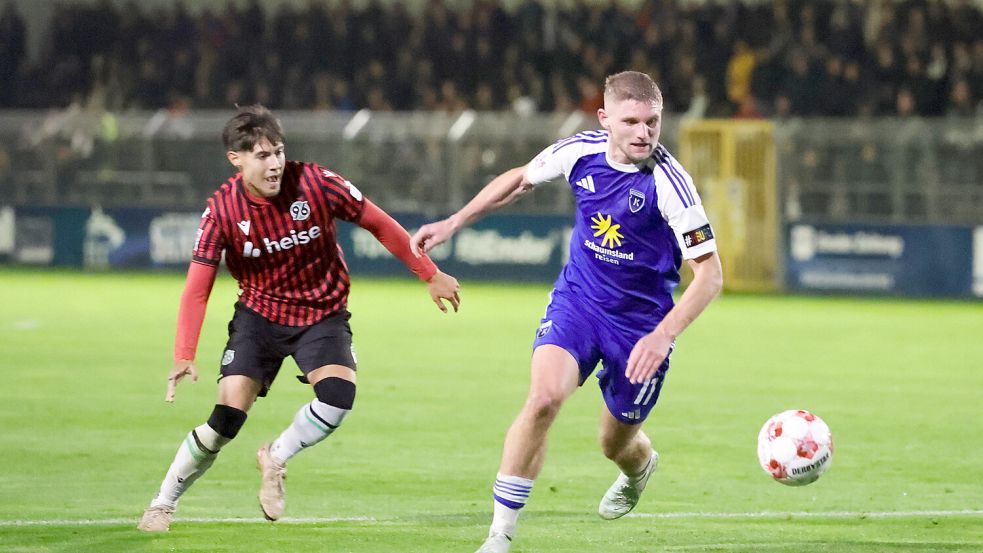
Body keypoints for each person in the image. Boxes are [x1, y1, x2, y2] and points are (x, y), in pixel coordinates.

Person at [411, 71, 723, 553]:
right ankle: (500, 535)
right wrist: (455, 222)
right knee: (542, 400)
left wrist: (663, 335)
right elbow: (518, 180)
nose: (643, 132)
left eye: (653, 122)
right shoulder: (580, 150)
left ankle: (639, 467)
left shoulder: (671, 185)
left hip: (642, 328)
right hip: (578, 302)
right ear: (605, 120)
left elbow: (710, 276)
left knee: (613, 443)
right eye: (631, 121)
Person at [138, 105, 461, 532]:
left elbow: (379, 223)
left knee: (337, 399)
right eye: (261, 155)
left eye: (278, 152)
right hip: (259, 317)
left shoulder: (316, 183)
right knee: (226, 420)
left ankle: (276, 456)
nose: (274, 164)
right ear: (236, 159)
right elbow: (198, 287)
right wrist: (184, 353)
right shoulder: (221, 210)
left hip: (322, 314)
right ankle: (162, 503)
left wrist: (430, 274)